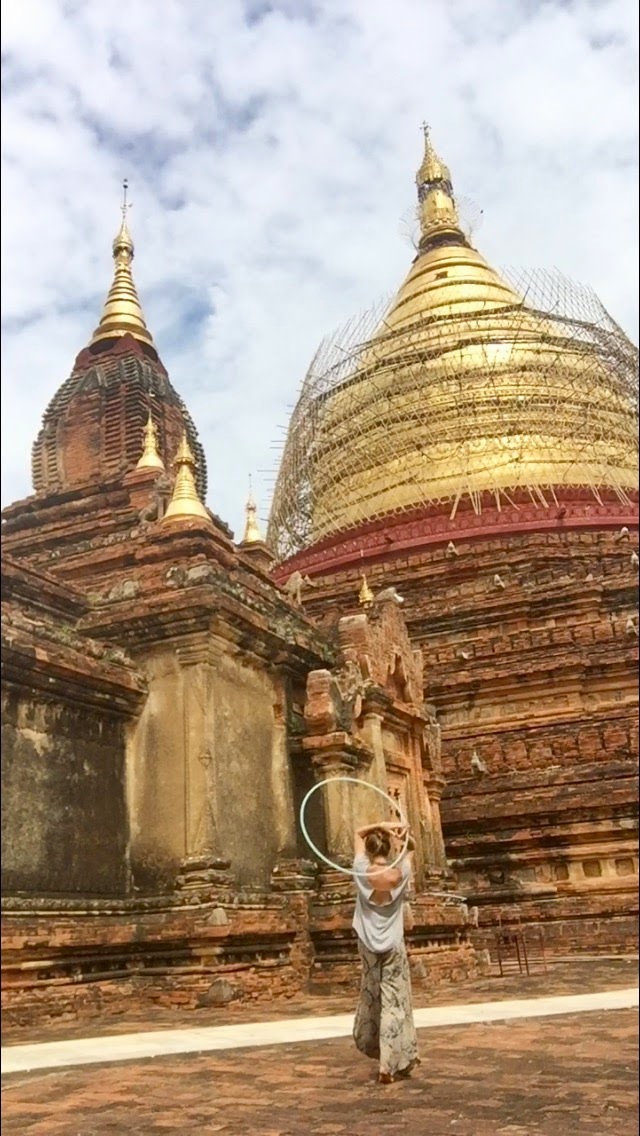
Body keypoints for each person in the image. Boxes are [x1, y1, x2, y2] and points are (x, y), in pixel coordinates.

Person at [352, 819, 420, 1084]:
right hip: (392, 943)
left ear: (370, 849)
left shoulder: (361, 870)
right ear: (389, 849)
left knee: (372, 995)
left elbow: (358, 832)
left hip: (367, 942)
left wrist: (382, 825)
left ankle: (373, 1045)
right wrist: (402, 834)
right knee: (394, 1001)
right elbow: (412, 848)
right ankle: (388, 1063)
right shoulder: (400, 873)